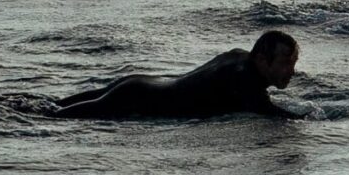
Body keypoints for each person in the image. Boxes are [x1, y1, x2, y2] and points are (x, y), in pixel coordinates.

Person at [51, 30, 304, 119]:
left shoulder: (239, 58)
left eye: (293, 63)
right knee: (54, 119)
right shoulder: (245, 80)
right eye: (284, 62)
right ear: (261, 59)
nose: (290, 71)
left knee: (52, 108)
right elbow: (272, 115)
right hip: (138, 99)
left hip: (139, 84)